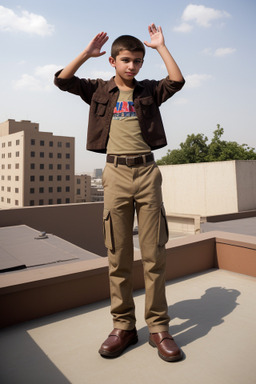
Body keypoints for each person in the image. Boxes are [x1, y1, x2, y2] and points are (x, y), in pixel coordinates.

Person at [54, 23, 185, 362]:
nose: (132, 66)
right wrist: (86, 53)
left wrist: (160, 47)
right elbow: (62, 80)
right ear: (113, 62)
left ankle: (159, 328)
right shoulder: (99, 90)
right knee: (119, 255)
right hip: (114, 174)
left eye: (138, 61)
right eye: (126, 60)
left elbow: (176, 81)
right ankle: (123, 326)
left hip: (146, 172)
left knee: (155, 254)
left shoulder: (147, 91)